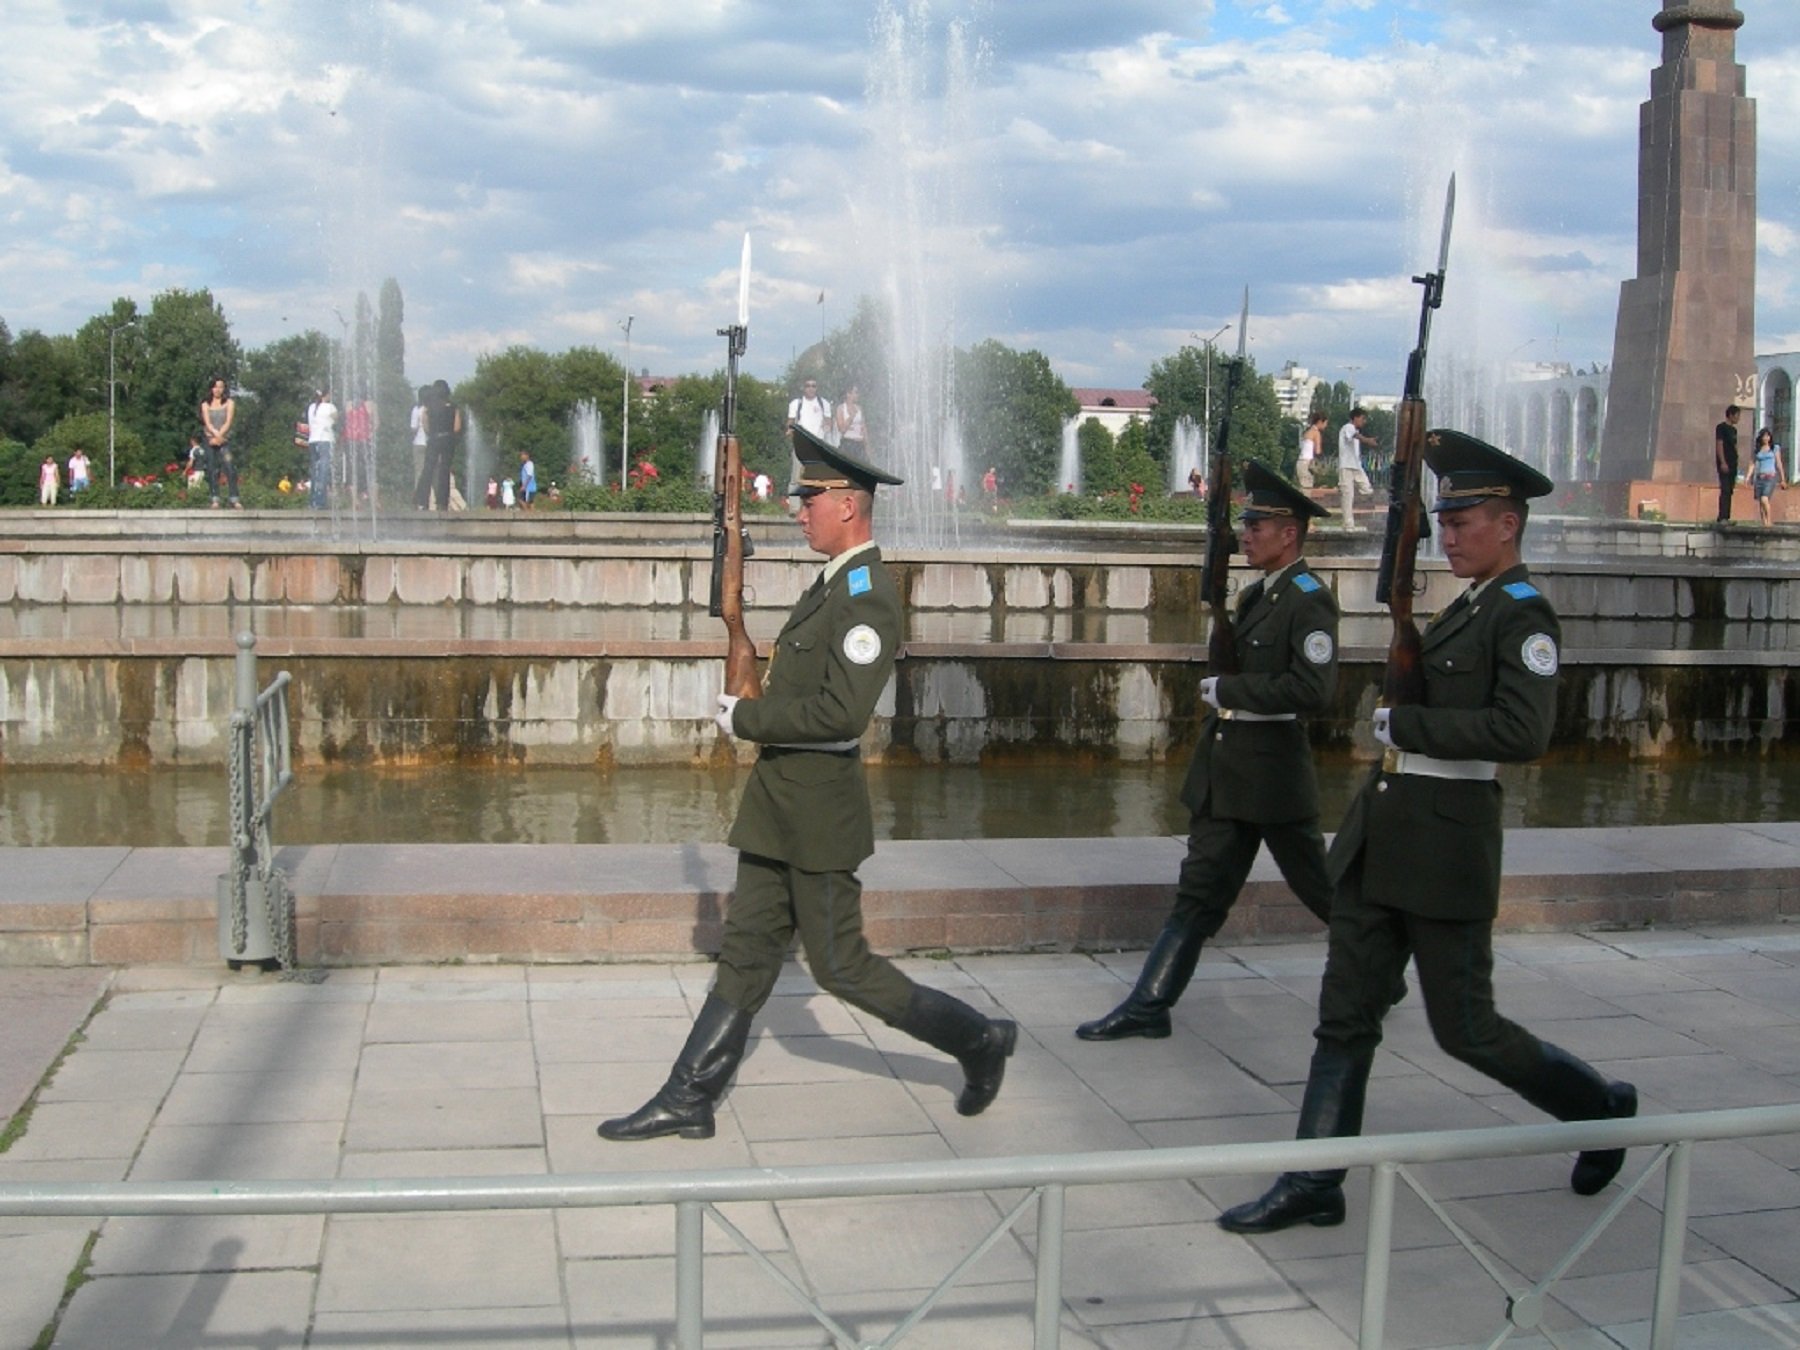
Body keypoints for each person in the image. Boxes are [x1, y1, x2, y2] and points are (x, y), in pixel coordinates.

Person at [1219, 431, 1638, 1237]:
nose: (1448, 536)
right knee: (1344, 1017)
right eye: (1441, 522)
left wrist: (1408, 724)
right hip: (1384, 840)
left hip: (1447, 850)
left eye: (1463, 522)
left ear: (1508, 525)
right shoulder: (1462, 608)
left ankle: (1600, 1107)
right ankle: (1314, 1181)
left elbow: (1524, 731)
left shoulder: (1522, 614)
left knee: (1467, 1031)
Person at [598, 425, 1017, 1142]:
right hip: (778, 807)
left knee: (842, 966)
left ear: (849, 506)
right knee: (747, 952)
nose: (796, 509)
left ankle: (976, 1039)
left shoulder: (867, 596)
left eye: (809, 497)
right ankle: (688, 1096)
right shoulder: (831, 587)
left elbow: (839, 711)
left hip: (818, 813)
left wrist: (749, 717)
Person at [1077, 463, 1338, 1042]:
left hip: (1273, 778)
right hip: (1229, 771)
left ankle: (1379, 970)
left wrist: (1229, 690)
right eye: (1243, 522)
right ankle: (1150, 1004)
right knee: (1198, 893)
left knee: (1321, 890)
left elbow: (1313, 689)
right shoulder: (1257, 595)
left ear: (1289, 532)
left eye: (1256, 523)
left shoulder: (1307, 600)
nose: (1245, 533)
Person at [414, 380, 460, 511]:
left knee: (427, 469)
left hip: (434, 438)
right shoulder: (453, 407)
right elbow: (457, 427)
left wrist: (433, 433)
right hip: (448, 439)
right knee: (444, 470)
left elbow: (425, 425)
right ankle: (442, 502)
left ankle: (422, 501)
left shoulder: (429, 407)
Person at [200, 377, 240, 508]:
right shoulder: (205, 404)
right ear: (211, 388)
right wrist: (215, 436)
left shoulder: (229, 403)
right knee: (212, 468)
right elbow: (207, 423)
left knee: (230, 466)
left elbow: (228, 421)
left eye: (221, 387)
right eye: (215, 386)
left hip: (225, 439)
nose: (218, 389)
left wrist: (221, 436)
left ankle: (234, 498)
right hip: (210, 439)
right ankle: (214, 499)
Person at [1337, 408, 1377, 528]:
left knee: (1367, 488)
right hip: (1346, 466)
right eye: (1362, 418)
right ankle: (1348, 524)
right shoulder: (1348, 427)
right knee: (1347, 495)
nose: (1364, 421)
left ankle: (1359, 501)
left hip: (1356, 465)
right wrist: (1368, 440)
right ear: (1355, 418)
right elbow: (1355, 436)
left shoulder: (1354, 430)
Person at [306, 386, 338, 510]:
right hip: (325, 440)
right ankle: (320, 501)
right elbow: (337, 420)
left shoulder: (311, 407)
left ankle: (313, 500)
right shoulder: (330, 407)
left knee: (315, 471)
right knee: (324, 471)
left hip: (313, 441)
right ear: (327, 395)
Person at [1751, 426, 1787, 527]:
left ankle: (1769, 520)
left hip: (1770, 477)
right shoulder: (1758, 450)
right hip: (1760, 477)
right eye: (1764, 436)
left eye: (1768, 436)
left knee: (1764, 498)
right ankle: (1764, 522)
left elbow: (1779, 463)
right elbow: (1752, 463)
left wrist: (1783, 479)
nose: (1766, 438)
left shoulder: (1774, 448)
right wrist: (1748, 477)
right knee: (1760, 501)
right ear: (1761, 438)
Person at [344, 396, 374, 499]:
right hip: (359, 438)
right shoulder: (367, 404)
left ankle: (357, 489)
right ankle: (360, 490)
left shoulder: (350, 403)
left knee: (356, 464)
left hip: (355, 437)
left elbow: (346, 419)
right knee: (361, 464)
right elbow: (373, 420)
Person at [1716, 404, 1742, 522]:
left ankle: (1727, 516)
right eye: (1737, 415)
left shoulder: (1734, 430)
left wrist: (1737, 457)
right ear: (1730, 415)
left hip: (1733, 463)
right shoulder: (1721, 428)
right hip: (1725, 462)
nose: (1738, 418)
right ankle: (1722, 517)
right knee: (1725, 489)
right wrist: (1723, 462)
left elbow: (1735, 445)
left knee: (1730, 490)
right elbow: (1719, 444)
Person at [1298, 410, 1328, 489]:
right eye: (1325, 423)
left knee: (1303, 487)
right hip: (1307, 463)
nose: (1326, 426)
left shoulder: (1307, 431)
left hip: (1301, 462)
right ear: (1320, 422)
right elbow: (1317, 451)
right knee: (1307, 489)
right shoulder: (1316, 433)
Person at [835, 383, 867, 453]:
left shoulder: (859, 408)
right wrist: (852, 416)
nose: (857, 395)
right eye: (855, 393)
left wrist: (867, 448)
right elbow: (842, 429)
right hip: (848, 443)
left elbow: (864, 429)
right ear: (848, 394)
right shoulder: (841, 408)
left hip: (860, 444)